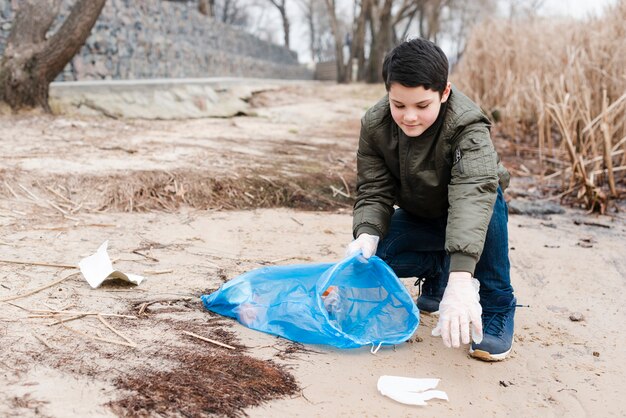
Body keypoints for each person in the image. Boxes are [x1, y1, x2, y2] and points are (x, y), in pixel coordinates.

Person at [346, 38, 516, 361]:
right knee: (374, 259)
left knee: (489, 195)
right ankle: (440, 270)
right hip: (422, 216)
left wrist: (463, 277)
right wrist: (366, 233)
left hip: (474, 212)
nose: (409, 116)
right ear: (388, 94)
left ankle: (498, 303)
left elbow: (472, 192)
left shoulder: (467, 124)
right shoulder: (374, 124)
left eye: (422, 106)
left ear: (444, 92)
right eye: (399, 105)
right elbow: (373, 188)